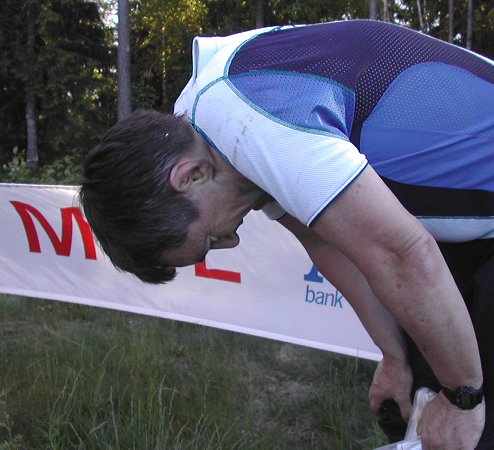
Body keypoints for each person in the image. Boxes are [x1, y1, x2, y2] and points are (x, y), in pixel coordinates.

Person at [80, 20, 494, 449]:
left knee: (471, 422)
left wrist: (462, 398)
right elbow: (326, 244)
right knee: (415, 402)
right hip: (464, 226)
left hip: (468, 225)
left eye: (210, 240)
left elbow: (402, 254)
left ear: (190, 176)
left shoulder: (252, 122)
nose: (231, 241)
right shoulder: (207, 130)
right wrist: (394, 356)